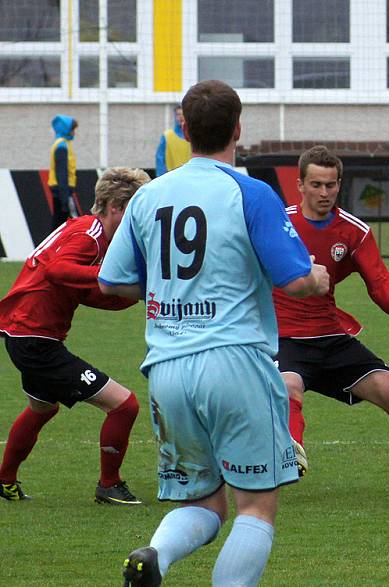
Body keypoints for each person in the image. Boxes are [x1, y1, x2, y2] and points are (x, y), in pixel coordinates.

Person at [99, 80, 329, 587]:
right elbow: (294, 279)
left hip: (166, 368)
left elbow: (112, 280)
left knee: (203, 500)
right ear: (239, 129)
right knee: (256, 506)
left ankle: (155, 554)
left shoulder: (148, 196)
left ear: (183, 127)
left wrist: (167, 292)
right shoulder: (251, 193)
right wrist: (317, 275)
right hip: (235, 361)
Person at [273, 145, 389, 476]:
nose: (324, 192)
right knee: (288, 388)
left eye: (331, 185)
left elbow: (379, 282)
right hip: (283, 338)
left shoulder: (354, 231)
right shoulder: (278, 225)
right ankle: (290, 457)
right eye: (316, 184)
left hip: (331, 337)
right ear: (300, 185)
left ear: (339, 184)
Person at [0, 167, 149, 505]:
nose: (139, 223)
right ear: (114, 206)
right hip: (35, 339)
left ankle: (4, 479)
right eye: (135, 213)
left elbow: (86, 291)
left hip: (29, 334)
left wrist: (132, 295)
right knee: (124, 405)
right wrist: (113, 277)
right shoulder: (88, 234)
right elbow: (58, 271)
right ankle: (109, 485)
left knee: (41, 409)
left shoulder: (89, 233)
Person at [48, 114, 81, 230]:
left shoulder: (61, 143)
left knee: (59, 223)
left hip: (61, 190)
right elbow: (61, 173)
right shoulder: (62, 146)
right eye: (73, 130)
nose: (74, 133)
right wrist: (65, 200)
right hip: (62, 190)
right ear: (66, 129)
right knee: (62, 223)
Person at [154, 104, 190, 176]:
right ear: (175, 116)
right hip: (171, 178)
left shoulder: (194, 135)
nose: (181, 117)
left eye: (183, 114)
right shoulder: (167, 136)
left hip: (191, 177)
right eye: (178, 114)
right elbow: (160, 159)